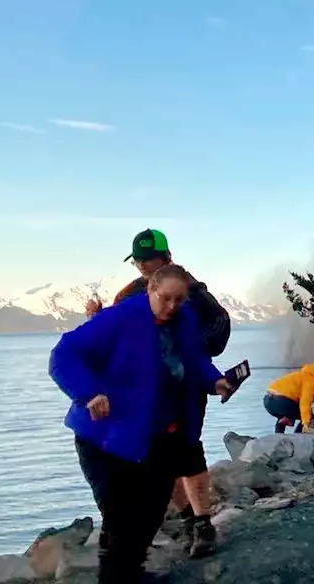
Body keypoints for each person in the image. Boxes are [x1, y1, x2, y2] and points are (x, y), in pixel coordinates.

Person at [49, 264, 234, 584]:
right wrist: (89, 392)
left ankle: (131, 573)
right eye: (166, 299)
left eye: (180, 300)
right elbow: (63, 354)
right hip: (106, 435)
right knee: (121, 516)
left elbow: (193, 360)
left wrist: (215, 381)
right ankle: (117, 579)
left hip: (157, 434)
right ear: (150, 291)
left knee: (150, 512)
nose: (173, 306)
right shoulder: (119, 318)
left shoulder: (185, 318)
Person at [84, 228, 232, 558]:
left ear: (167, 257)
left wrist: (193, 353)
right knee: (157, 456)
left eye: (149, 260)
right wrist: (96, 319)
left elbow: (219, 326)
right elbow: (112, 334)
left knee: (188, 450)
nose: (143, 266)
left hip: (185, 388)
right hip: (144, 392)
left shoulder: (191, 290)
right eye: (139, 261)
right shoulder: (128, 296)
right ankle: (187, 519)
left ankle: (202, 523)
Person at [264, 363, 314, 434]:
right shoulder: (312, 382)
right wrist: (306, 423)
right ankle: (299, 435)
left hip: (268, 401)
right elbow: (305, 404)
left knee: (285, 416)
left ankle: (278, 436)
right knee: (309, 416)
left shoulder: (302, 375)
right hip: (281, 402)